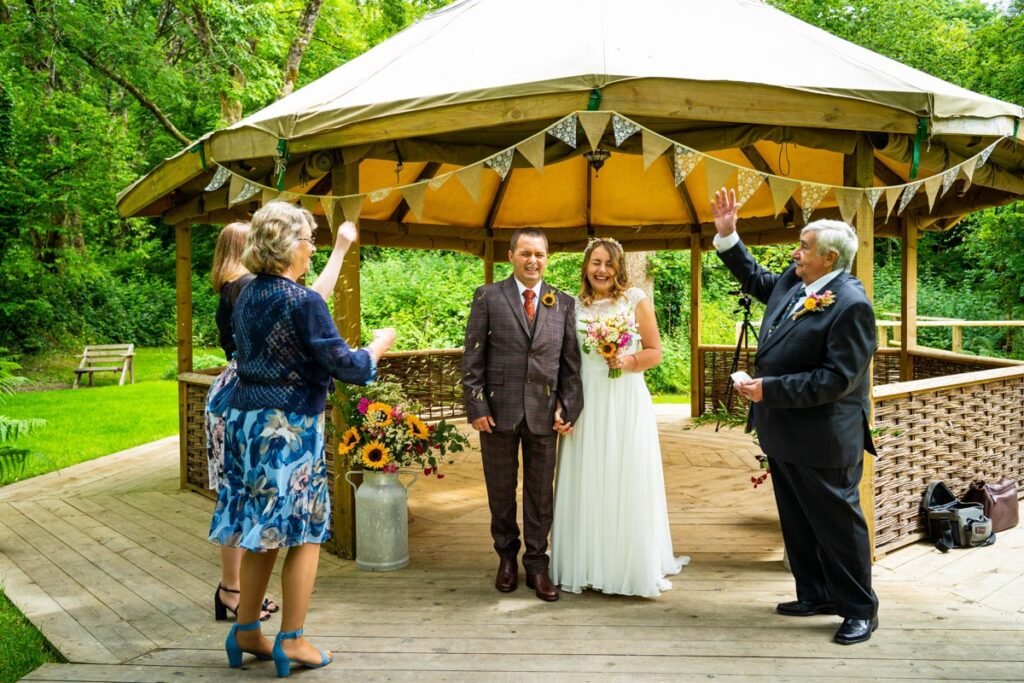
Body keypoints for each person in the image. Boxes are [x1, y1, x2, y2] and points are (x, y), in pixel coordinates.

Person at [207, 201, 396, 674]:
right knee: (304, 531)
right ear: (290, 245)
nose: (312, 250)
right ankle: (292, 639)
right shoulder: (301, 301)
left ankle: (247, 628)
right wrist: (377, 347)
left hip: (247, 423)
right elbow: (347, 367)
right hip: (288, 429)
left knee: (261, 531)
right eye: (310, 241)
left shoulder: (247, 293)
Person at [710, 187, 879, 645]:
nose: (794, 252)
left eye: (803, 246)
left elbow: (835, 380)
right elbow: (759, 281)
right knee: (799, 519)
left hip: (825, 438)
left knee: (838, 526)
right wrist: (729, 236)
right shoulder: (797, 282)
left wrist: (769, 389)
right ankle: (817, 594)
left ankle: (860, 608)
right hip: (784, 432)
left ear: (827, 257)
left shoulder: (851, 306)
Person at [550, 238, 689, 598]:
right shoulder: (572, 305)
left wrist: (627, 362)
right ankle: (585, 560)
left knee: (625, 474)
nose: (601, 270)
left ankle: (627, 564)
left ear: (619, 267)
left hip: (626, 398)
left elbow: (655, 352)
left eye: (609, 264)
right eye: (595, 263)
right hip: (588, 399)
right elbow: (565, 360)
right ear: (586, 266)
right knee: (588, 475)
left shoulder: (635, 299)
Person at [462, 228, 584, 602]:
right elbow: (472, 358)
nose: (533, 261)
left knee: (539, 493)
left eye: (540, 255)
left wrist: (570, 405)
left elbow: (571, 365)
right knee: (500, 490)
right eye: (526, 253)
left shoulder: (562, 302)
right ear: (511, 255)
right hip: (498, 412)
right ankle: (506, 559)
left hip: (544, 413)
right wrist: (477, 405)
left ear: (548, 259)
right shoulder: (488, 296)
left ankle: (537, 563)